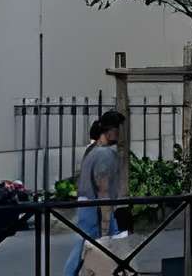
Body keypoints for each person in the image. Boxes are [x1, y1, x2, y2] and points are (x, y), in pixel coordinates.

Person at [64, 110, 128, 276]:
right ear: (109, 130)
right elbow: (103, 187)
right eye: (118, 128)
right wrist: (106, 218)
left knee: (89, 243)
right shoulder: (104, 154)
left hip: (89, 204)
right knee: (93, 242)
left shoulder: (93, 150)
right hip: (96, 206)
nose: (120, 133)